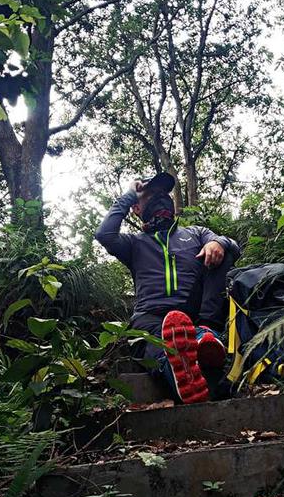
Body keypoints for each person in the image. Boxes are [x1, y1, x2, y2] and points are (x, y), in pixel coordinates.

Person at [94, 172, 241, 404]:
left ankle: (205, 334)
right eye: (151, 194)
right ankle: (180, 371)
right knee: (152, 344)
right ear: (136, 208)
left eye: (163, 193)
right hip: (151, 318)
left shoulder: (196, 233)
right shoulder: (134, 243)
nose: (160, 197)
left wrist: (217, 242)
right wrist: (131, 193)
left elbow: (233, 246)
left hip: (193, 315)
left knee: (224, 253)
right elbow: (105, 234)